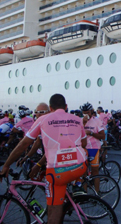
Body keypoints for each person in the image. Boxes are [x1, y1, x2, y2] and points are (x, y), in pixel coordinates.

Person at [0, 94, 88, 224]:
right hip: (80, 166)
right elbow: (84, 144)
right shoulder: (77, 119)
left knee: (53, 209)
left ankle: (58, 208)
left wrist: (6, 165)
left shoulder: (43, 120)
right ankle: (68, 200)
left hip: (58, 172)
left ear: (50, 108)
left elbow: (23, 144)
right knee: (55, 185)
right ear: (66, 106)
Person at [81, 102, 105, 192]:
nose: (86, 114)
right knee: (83, 172)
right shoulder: (80, 121)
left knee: (95, 172)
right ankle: (84, 194)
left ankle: (97, 192)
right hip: (83, 148)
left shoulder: (97, 121)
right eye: (84, 112)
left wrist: (91, 133)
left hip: (94, 148)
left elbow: (102, 136)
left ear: (91, 111)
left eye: (87, 112)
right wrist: (83, 123)